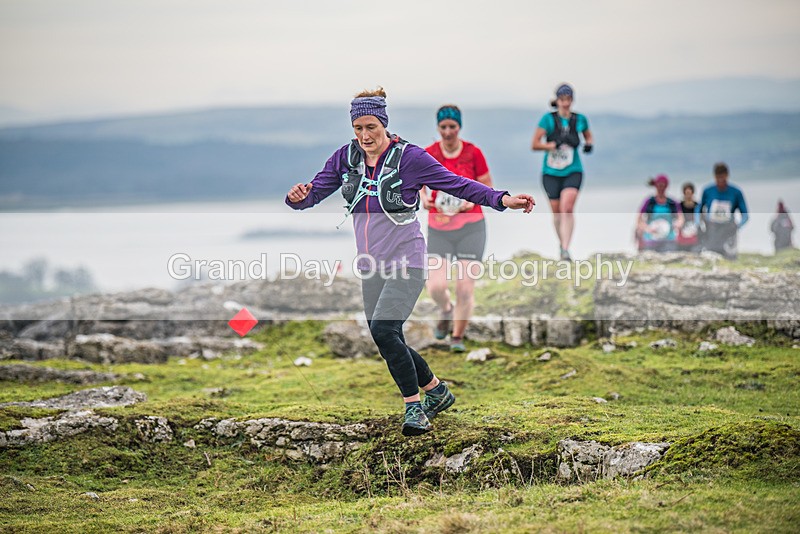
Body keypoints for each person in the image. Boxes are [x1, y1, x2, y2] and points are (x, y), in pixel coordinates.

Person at [285, 88, 534, 436]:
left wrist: (502, 199)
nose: (364, 135)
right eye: (358, 128)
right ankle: (436, 391)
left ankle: (414, 408)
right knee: (388, 336)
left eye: (371, 126)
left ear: (383, 124)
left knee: (384, 330)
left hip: (409, 259)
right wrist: (296, 198)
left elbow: (457, 185)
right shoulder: (346, 157)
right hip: (371, 264)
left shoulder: (410, 159)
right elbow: (313, 194)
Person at [421, 105, 492, 352]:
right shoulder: (429, 153)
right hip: (439, 227)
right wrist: (423, 197)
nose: (448, 132)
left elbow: (487, 187)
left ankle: (457, 338)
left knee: (464, 287)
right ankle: (446, 310)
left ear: (459, 127)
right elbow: (417, 182)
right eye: (443, 127)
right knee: (436, 286)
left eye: (452, 127)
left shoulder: (474, 153)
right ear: (438, 128)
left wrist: (473, 199)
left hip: (471, 227)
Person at [531, 83, 594, 260]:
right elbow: (535, 144)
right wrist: (550, 145)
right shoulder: (548, 119)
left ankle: (566, 248)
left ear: (572, 101)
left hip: (573, 170)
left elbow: (588, 136)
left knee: (567, 208)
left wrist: (589, 144)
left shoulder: (579, 119)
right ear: (557, 100)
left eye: (568, 100)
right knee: (557, 212)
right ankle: (561, 244)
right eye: (562, 99)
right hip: (551, 171)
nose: (565, 103)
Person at [697, 162, 749, 259]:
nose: (720, 180)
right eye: (718, 178)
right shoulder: (707, 191)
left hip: (729, 230)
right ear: (714, 176)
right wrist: (698, 224)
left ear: (727, 175)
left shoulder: (736, 192)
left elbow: (745, 215)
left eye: (723, 177)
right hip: (712, 229)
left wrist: (738, 226)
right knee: (710, 256)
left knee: (730, 257)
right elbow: (698, 209)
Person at [635, 174, 683, 253]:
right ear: (655, 186)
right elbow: (639, 219)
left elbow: (680, 218)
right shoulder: (649, 202)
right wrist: (646, 228)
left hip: (669, 240)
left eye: (663, 186)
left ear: (666, 187)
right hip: (651, 240)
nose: (661, 188)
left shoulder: (672, 202)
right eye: (659, 186)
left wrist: (678, 224)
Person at [676, 182, 700, 252]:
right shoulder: (679, 206)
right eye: (686, 193)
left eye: (690, 193)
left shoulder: (697, 206)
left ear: (693, 193)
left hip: (694, 234)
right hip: (682, 235)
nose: (688, 196)